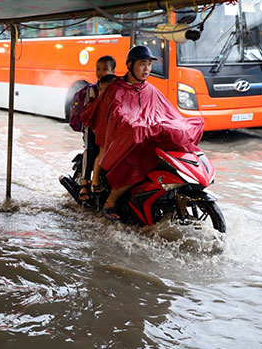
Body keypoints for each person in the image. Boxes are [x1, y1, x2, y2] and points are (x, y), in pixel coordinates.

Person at [84, 45, 204, 221]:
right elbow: (120, 116)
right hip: (127, 142)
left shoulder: (150, 89)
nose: (146, 69)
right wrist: (137, 127)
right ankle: (111, 202)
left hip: (148, 138)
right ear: (130, 65)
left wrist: (174, 125)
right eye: (142, 64)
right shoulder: (117, 89)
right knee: (139, 164)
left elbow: (167, 112)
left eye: (149, 64)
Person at [68, 55, 116, 201]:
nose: (100, 72)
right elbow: (91, 112)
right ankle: (84, 184)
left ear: (113, 71)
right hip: (92, 127)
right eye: (98, 69)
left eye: (104, 69)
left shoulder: (116, 88)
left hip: (108, 128)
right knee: (91, 150)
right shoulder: (93, 90)